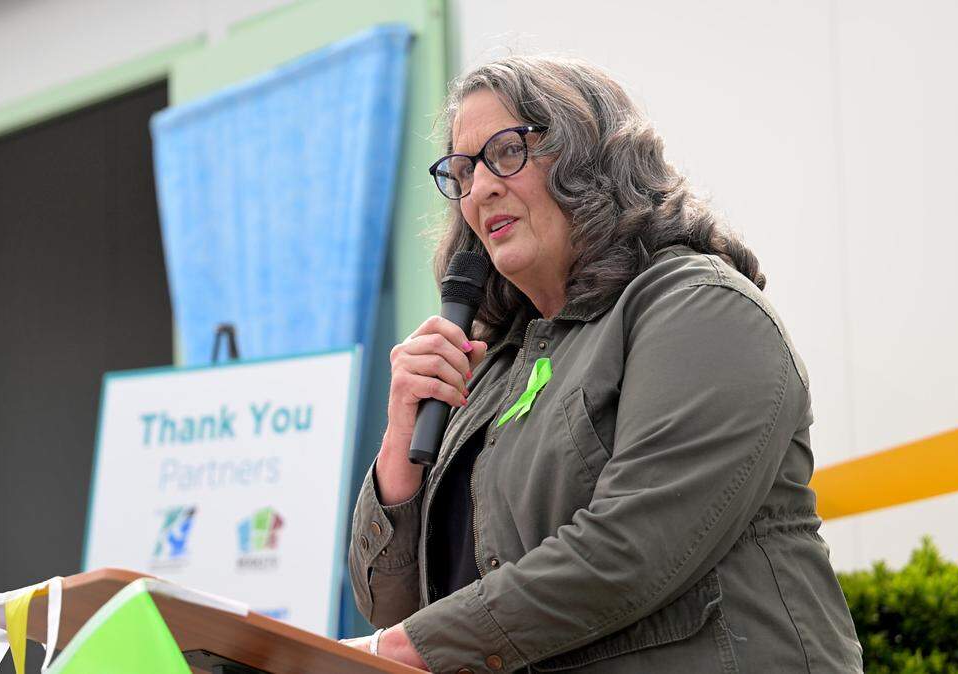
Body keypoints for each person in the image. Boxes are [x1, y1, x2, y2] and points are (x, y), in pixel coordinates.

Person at [341, 55, 863, 673]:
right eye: (461, 170)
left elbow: (630, 549)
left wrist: (393, 652)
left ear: (592, 157)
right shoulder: (492, 369)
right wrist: (401, 440)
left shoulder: (699, 308)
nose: (479, 188)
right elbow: (392, 602)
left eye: (507, 152)